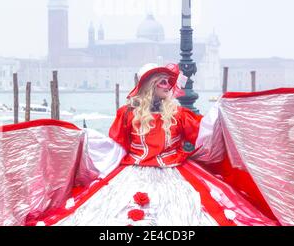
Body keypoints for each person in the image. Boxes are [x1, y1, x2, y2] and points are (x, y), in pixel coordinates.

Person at [56, 62, 279, 226]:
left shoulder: (179, 114)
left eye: (169, 82)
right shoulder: (127, 114)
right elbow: (115, 147)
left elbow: (204, 136)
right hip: (133, 173)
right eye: (162, 81)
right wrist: (83, 139)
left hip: (174, 172)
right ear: (149, 85)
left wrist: (222, 113)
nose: (167, 85)